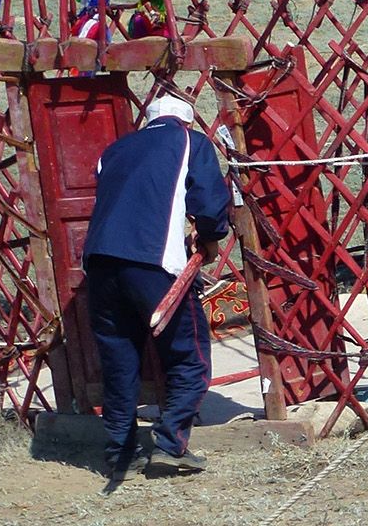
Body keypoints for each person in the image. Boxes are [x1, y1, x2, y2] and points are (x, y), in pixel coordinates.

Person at [81, 94, 229, 481]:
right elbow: (211, 204)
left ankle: (120, 454)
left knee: (119, 360)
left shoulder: (114, 150)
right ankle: (169, 445)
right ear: (187, 121)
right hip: (153, 262)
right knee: (188, 354)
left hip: (98, 264)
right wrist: (211, 236)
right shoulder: (189, 142)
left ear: (148, 121)